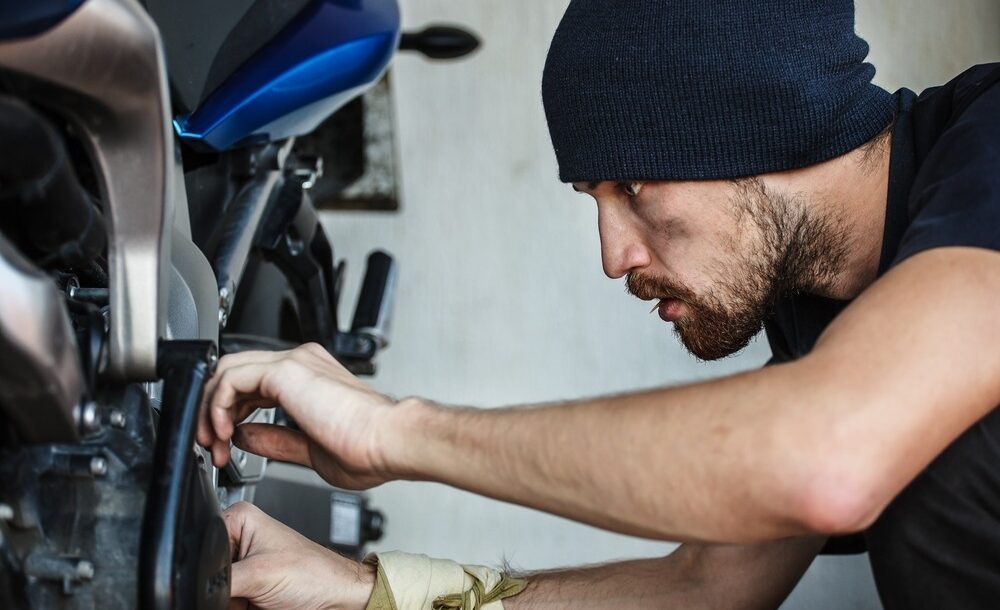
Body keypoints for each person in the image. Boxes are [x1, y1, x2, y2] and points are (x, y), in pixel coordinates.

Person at [197, 1, 1000, 608]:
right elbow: (699, 589)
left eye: (633, 186)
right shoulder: (822, 319)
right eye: (595, 197)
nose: (613, 257)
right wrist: (362, 590)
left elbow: (824, 462)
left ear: (761, 124)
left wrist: (390, 431)